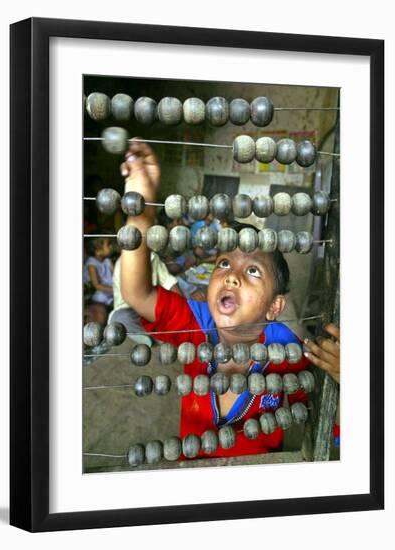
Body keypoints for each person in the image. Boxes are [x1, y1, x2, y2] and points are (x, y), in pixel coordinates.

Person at [119, 140, 340, 457]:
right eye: (223, 264)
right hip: (191, 477)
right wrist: (139, 211)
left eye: (252, 270)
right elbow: (137, 293)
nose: (231, 275)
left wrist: (347, 380)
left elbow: (333, 432)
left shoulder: (290, 354)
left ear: (274, 307)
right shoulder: (195, 324)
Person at [109, 252, 180, 346]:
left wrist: (182, 305)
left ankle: (156, 333)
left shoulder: (153, 256)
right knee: (120, 318)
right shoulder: (124, 263)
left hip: (152, 302)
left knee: (172, 306)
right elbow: (135, 299)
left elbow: (167, 281)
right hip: (131, 308)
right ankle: (150, 336)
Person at [83, 237, 114, 325]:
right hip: (95, 290)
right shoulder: (91, 264)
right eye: (108, 245)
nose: (111, 247)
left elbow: (116, 274)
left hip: (108, 285)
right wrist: (114, 290)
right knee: (100, 297)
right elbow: (96, 285)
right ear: (98, 251)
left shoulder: (107, 260)